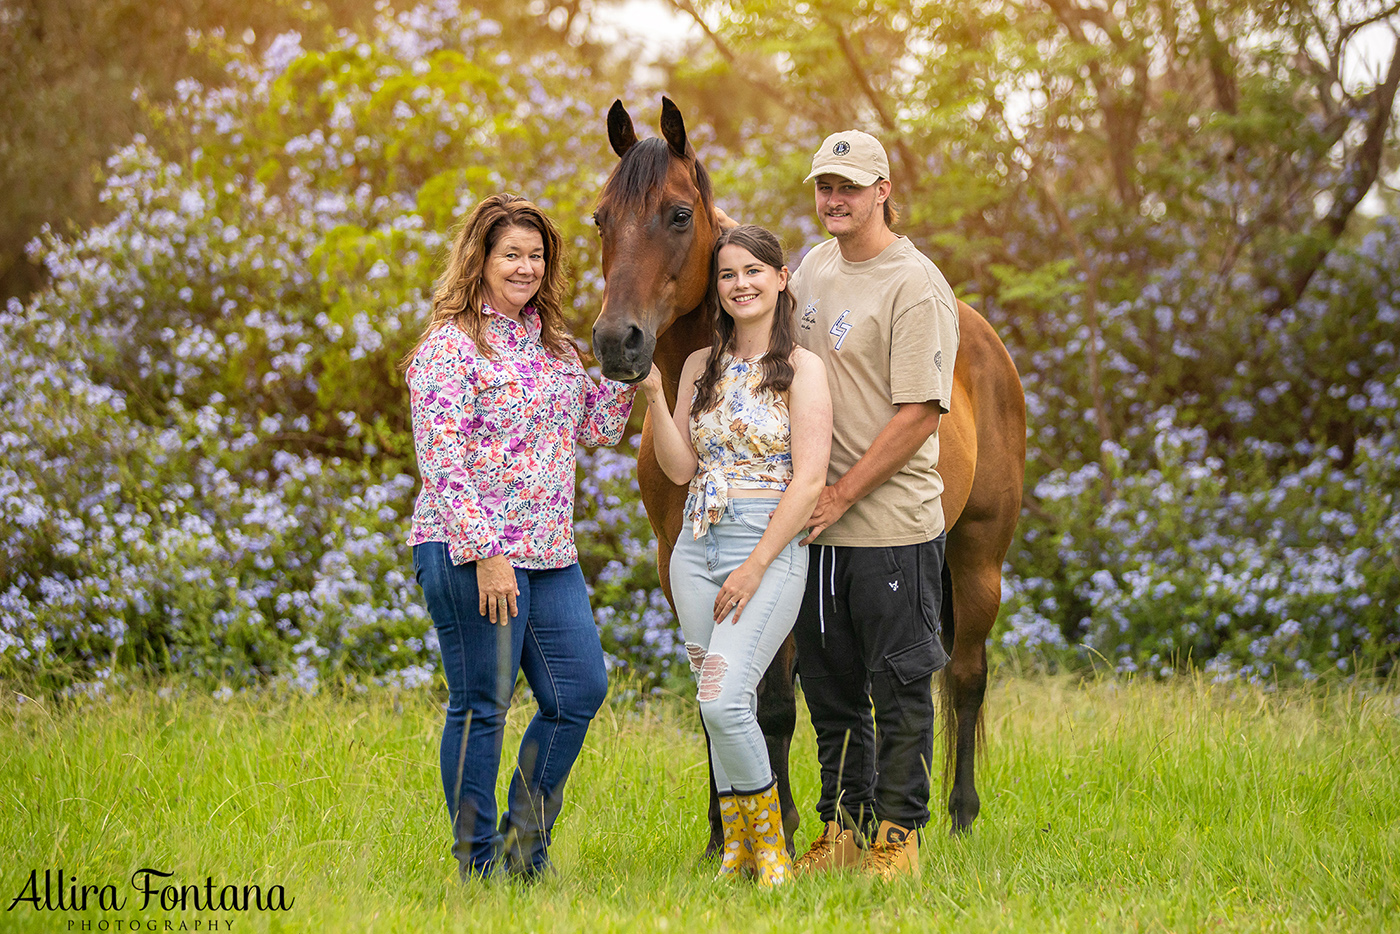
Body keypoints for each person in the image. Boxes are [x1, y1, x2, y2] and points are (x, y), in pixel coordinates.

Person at [405, 193, 635, 880]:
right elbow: (440, 460)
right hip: (470, 553)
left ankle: (522, 846)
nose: (526, 267)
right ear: (481, 258)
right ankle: (477, 867)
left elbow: (596, 427)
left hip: (550, 553)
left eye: (536, 256)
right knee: (483, 705)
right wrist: (487, 553)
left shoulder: (556, 348)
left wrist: (634, 371)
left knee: (579, 693)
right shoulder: (448, 347)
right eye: (512, 254)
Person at [787, 131, 961, 880]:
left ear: (883, 190)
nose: (836, 198)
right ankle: (844, 824)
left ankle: (899, 836)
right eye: (826, 185)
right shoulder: (813, 268)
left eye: (851, 186)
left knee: (897, 685)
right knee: (829, 690)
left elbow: (921, 412)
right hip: (816, 531)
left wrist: (838, 495)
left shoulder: (914, 283)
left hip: (889, 526)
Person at [640, 225, 831, 887]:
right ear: (716, 290)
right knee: (716, 700)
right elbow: (683, 466)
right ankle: (735, 854)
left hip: (765, 549)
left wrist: (755, 565)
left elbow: (809, 480)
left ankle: (771, 848)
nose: (741, 284)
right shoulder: (698, 368)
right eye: (727, 275)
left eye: (754, 271)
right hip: (696, 546)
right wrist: (653, 398)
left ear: (781, 280)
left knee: (725, 702)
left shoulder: (805, 369)